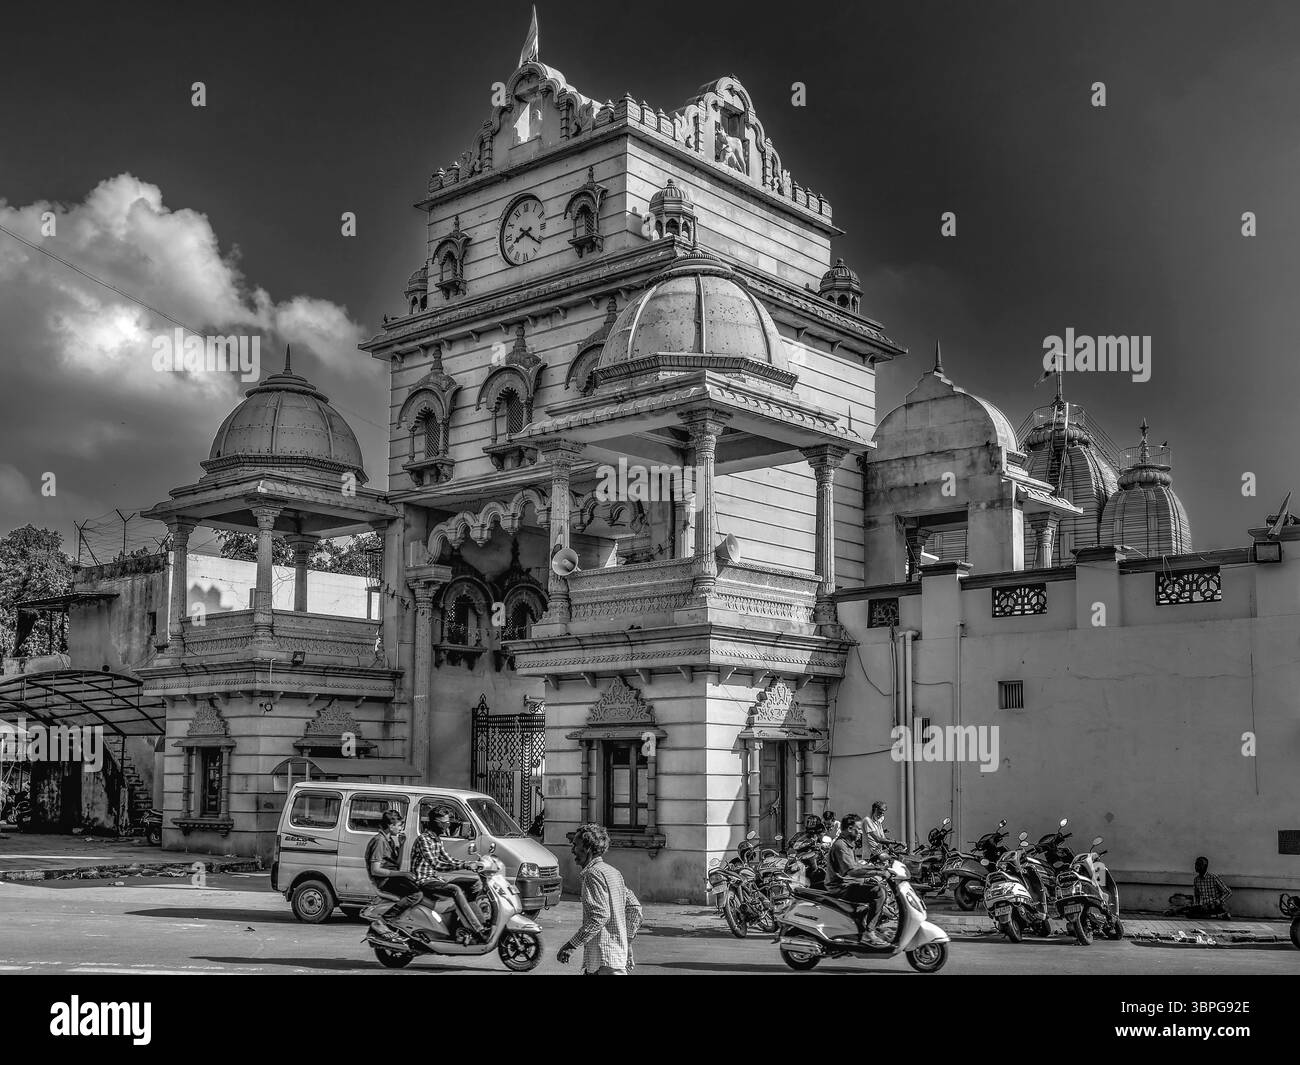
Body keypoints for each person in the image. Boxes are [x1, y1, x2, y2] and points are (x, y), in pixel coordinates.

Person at [557, 823, 643, 974]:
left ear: (587, 848)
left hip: (603, 960)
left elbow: (600, 915)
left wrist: (571, 945)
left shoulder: (592, 874)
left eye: (575, 845)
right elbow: (635, 908)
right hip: (614, 958)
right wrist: (627, 941)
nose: (572, 850)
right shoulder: (613, 872)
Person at [411, 805, 488, 942]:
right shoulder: (424, 839)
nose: (447, 826)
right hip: (424, 881)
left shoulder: (437, 839)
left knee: (475, 884)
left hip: (436, 879)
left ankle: (476, 922)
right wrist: (464, 865)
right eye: (445, 823)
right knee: (455, 889)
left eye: (448, 823)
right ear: (435, 823)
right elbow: (436, 864)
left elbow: (448, 859)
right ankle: (477, 929)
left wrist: (471, 864)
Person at [824, 813, 889, 945]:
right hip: (840, 887)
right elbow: (852, 871)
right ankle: (868, 932)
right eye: (858, 829)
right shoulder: (840, 846)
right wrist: (878, 872)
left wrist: (875, 869)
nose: (860, 832)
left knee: (875, 886)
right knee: (879, 892)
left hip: (847, 883)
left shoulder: (848, 844)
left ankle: (866, 927)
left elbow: (856, 865)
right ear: (849, 829)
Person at [365, 809, 422, 943]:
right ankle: (384, 921)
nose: (401, 828)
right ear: (391, 826)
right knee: (416, 894)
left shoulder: (389, 840)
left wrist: (401, 846)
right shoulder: (379, 841)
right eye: (399, 825)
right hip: (384, 881)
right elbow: (375, 870)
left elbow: (397, 864)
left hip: (391, 877)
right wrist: (402, 874)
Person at [1166, 856, 1232, 918]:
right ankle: (1219, 916)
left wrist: (1219, 901)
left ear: (1205, 866)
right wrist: (1194, 905)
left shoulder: (1213, 877)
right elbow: (1197, 896)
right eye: (1196, 864)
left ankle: (1219, 915)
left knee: (1194, 912)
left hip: (1214, 906)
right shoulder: (1196, 880)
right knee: (1190, 913)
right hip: (1202, 906)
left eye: (1199, 864)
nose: (1196, 866)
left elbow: (1228, 892)